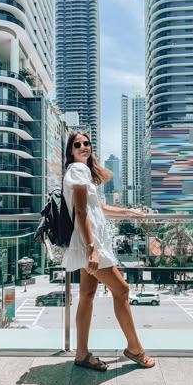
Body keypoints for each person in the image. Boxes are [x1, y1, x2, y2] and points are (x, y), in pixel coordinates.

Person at [62, 131, 155, 372]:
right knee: (122, 290)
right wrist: (92, 249)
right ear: (70, 151)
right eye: (77, 144)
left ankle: (81, 354)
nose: (83, 147)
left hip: (88, 243)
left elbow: (98, 209)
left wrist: (129, 213)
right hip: (90, 245)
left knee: (87, 295)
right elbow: (81, 212)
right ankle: (135, 349)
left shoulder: (82, 173)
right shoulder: (77, 170)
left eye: (86, 143)